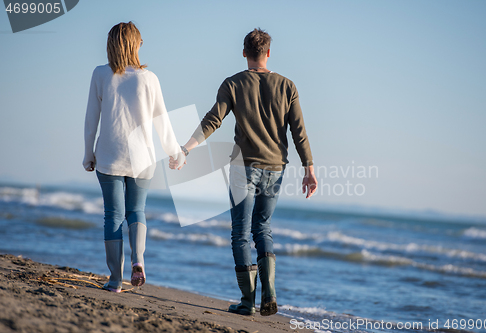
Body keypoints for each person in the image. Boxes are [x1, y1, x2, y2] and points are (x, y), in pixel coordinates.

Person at [170, 28, 318, 316]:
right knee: (263, 228)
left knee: (241, 233)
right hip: (276, 168)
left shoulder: (233, 83)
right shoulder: (288, 86)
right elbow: (299, 132)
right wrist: (309, 169)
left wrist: (185, 149)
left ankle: (248, 301)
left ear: (244, 53)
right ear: (269, 53)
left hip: (244, 167)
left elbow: (213, 119)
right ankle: (270, 293)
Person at [83, 22, 184, 293]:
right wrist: (175, 152)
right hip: (143, 158)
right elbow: (162, 120)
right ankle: (138, 260)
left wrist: (87, 153)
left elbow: (91, 118)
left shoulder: (101, 74)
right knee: (136, 211)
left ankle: (115, 280)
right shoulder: (149, 78)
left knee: (113, 216)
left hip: (109, 155)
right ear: (135, 44)